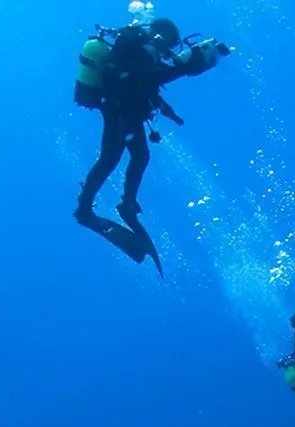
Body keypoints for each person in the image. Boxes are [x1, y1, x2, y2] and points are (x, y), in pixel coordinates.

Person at [72, 17, 230, 273]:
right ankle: (90, 208)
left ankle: (121, 204)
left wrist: (169, 112)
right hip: (120, 111)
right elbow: (143, 79)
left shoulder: (142, 50)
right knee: (113, 158)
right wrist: (181, 68)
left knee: (133, 157)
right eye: (169, 41)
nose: (169, 48)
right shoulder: (142, 49)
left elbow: (148, 88)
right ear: (160, 35)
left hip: (125, 111)